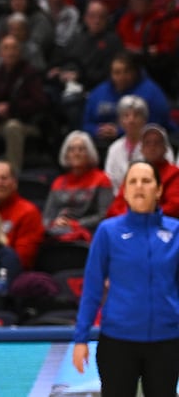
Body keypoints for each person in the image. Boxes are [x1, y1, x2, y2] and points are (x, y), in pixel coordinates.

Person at [71, 160, 179, 396]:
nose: (139, 186)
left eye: (146, 181)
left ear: (159, 190)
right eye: (133, 181)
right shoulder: (107, 232)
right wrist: (80, 339)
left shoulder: (175, 232)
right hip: (118, 343)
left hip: (167, 342)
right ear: (125, 191)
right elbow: (92, 288)